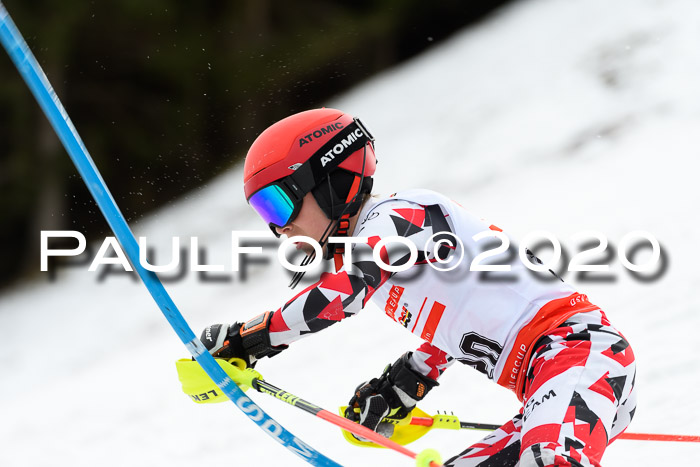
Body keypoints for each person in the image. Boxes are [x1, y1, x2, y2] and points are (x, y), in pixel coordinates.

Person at [201, 108, 637, 466]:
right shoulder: (378, 259)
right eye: (264, 212)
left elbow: (341, 296)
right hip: (547, 384)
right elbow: (464, 322)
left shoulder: (402, 216)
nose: (280, 226)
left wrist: (250, 338)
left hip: (581, 355)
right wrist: (403, 384)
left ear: (331, 180)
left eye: (278, 202)